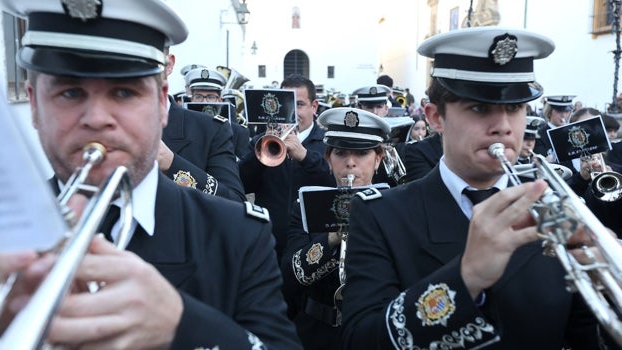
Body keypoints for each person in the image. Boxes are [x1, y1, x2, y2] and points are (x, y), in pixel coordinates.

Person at [0, 1, 301, 348]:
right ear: (34, 105)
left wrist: (184, 324)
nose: (97, 118)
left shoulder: (237, 235)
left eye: (124, 92)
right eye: (71, 92)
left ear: (161, 104)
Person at [341, 27, 619, 349]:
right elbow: (359, 340)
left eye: (514, 108)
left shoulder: (555, 205)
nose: (503, 125)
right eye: (478, 108)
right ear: (435, 117)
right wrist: (465, 277)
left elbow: (582, 336)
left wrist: (604, 288)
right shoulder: (381, 215)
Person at [280, 107, 390, 350]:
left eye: (361, 153)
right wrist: (331, 239)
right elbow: (289, 276)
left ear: (378, 159)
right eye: (340, 153)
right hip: (315, 332)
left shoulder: (395, 206)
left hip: (373, 334)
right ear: (328, 159)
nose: (350, 163)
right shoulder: (307, 206)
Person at [238, 74, 334, 262]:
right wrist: (260, 152)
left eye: (299, 104)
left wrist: (305, 157)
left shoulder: (328, 142)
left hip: (313, 245)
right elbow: (241, 184)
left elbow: (335, 184)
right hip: (268, 242)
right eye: (286, 104)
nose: (292, 111)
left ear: (314, 107)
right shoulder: (260, 141)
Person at [159, 55, 246, 202]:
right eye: (198, 96)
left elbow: (234, 202)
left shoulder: (215, 130)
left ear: (169, 64)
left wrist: (172, 164)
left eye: (210, 97)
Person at [184, 66, 250, 160]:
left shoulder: (238, 132)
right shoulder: (181, 127)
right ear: (191, 99)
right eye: (198, 97)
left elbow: (243, 169)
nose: (204, 102)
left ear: (220, 100)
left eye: (210, 97)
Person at [533, 94, 576, 159]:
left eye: (567, 111)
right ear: (549, 111)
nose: (563, 115)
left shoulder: (572, 133)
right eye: (559, 111)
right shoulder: (540, 135)